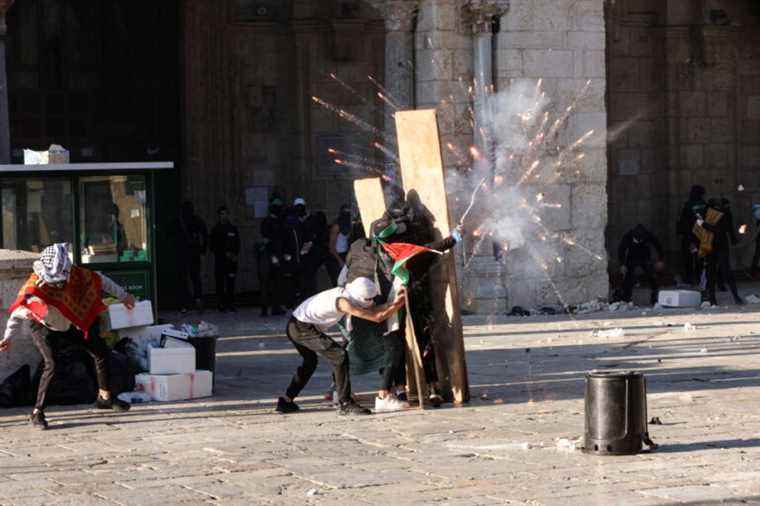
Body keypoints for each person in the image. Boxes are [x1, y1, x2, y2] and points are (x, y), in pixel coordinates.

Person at [0, 243, 136, 429]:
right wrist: (7, 338)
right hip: (43, 327)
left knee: (100, 350)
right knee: (51, 364)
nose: (60, 284)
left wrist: (124, 296)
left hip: (71, 321)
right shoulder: (34, 289)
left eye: (62, 279)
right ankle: (37, 412)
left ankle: (105, 397)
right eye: (55, 281)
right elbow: (16, 314)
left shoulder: (77, 275)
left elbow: (100, 280)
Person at [276, 277, 407, 416]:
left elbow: (374, 310)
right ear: (360, 297)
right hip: (300, 327)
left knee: (310, 362)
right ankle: (345, 403)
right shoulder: (343, 302)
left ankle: (286, 400)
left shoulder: (347, 294)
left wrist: (394, 302)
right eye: (369, 299)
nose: (372, 301)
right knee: (339, 355)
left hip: (297, 324)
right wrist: (397, 305)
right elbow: (376, 317)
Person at [701, 199, 743, 306]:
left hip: (720, 247)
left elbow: (719, 230)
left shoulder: (723, 215)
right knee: (711, 272)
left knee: (725, 271)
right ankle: (712, 298)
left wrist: (704, 224)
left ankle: (735, 296)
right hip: (711, 247)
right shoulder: (713, 214)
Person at [617, 224, 664, 305]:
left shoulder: (648, 235)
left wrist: (660, 260)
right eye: (637, 240)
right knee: (629, 275)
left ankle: (654, 296)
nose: (639, 241)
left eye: (641, 240)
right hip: (632, 257)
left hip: (645, 256)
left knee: (651, 274)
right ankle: (626, 297)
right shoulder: (627, 237)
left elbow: (658, 246)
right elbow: (621, 250)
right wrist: (622, 264)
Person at [174, 201, 207, 313]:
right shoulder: (197, 220)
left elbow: (169, 237)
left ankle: (184, 304)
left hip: (182, 254)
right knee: (196, 278)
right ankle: (198, 300)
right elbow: (205, 235)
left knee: (183, 279)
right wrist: (202, 249)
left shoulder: (179, 221)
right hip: (194, 253)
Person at [259, 197, 286, 317]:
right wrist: (274, 256)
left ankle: (274, 307)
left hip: (275, 255)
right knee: (268, 283)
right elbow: (267, 240)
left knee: (276, 283)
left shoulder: (278, 221)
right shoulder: (270, 222)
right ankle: (266, 308)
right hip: (270, 256)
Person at [210, 206, 240, 312]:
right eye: (221, 214)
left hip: (231, 261)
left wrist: (234, 255)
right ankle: (221, 304)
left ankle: (231, 304)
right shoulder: (215, 230)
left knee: (230, 283)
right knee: (220, 283)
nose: (223, 216)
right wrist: (223, 253)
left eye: (225, 213)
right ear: (219, 216)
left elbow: (237, 244)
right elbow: (212, 246)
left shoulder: (233, 229)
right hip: (220, 261)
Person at [677, 185, 707, 285]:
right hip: (701, 236)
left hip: (690, 236)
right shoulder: (704, 204)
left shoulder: (688, 204)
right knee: (700, 258)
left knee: (688, 258)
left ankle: (689, 278)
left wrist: (684, 234)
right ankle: (698, 278)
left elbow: (683, 221)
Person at [326, 205, 352, 286]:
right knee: (337, 282)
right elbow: (331, 247)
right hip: (335, 256)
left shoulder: (348, 225)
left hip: (344, 255)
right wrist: (339, 260)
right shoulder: (336, 226)